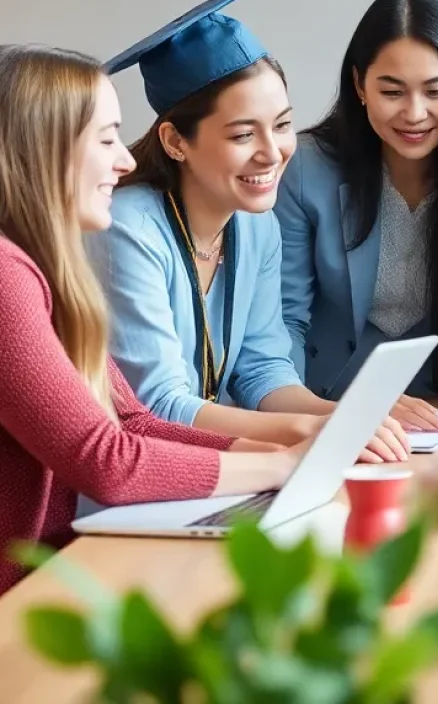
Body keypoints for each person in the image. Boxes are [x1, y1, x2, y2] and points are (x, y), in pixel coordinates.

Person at [0, 44, 309, 595]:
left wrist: (278, 453)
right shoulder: (6, 275)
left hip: (45, 576)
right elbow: (108, 461)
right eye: (105, 139)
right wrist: (282, 468)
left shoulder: (47, 268)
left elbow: (134, 421)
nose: (124, 160)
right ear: (40, 151)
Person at [91, 0, 407, 463]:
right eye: (243, 136)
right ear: (176, 141)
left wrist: (343, 418)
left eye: (281, 125)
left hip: (216, 465)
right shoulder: (127, 229)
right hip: (129, 481)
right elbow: (158, 406)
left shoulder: (255, 225)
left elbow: (262, 370)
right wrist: (307, 430)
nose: (273, 153)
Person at [275, 0, 438, 430]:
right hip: (327, 406)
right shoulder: (306, 168)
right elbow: (285, 318)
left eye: (436, 90)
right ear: (359, 86)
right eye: (392, 91)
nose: (415, 113)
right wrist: (300, 417)